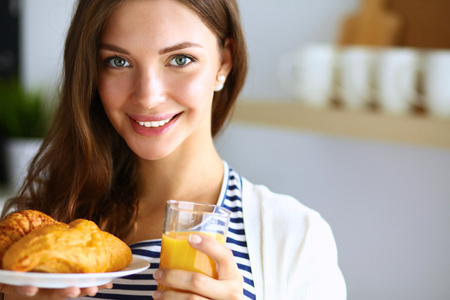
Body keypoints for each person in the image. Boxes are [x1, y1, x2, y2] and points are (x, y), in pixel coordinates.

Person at [0, 0, 347, 299]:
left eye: (180, 59)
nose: (148, 97)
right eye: (118, 61)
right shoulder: (35, 232)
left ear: (224, 62)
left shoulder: (295, 238)